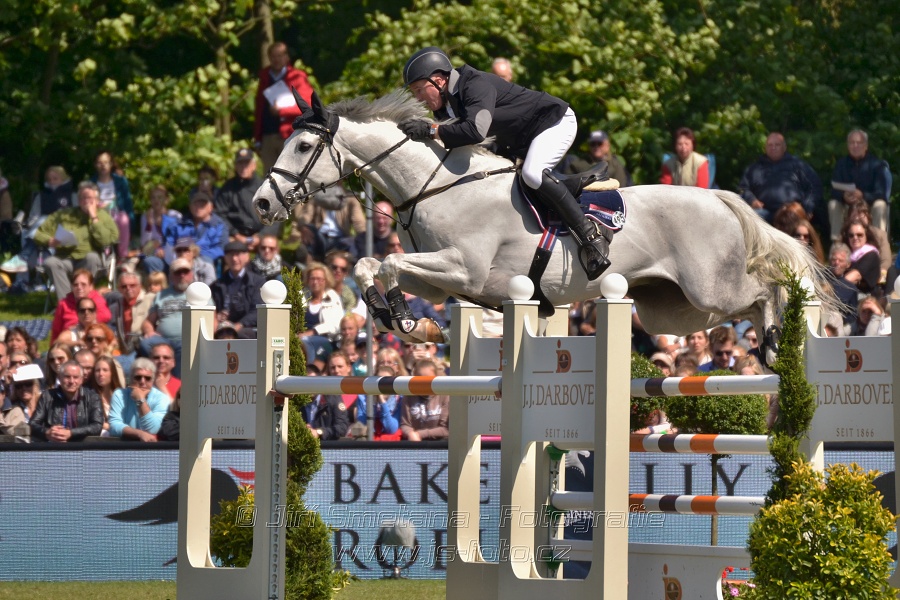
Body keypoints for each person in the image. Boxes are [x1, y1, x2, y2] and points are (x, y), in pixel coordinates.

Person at [400, 46, 611, 280]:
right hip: (521, 141)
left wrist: (431, 130)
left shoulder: (473, 84)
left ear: (438, 80)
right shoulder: (445, 106)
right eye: (414, 92)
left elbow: (475, 131)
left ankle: (591, 238)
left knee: (532, 174)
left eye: (420, 90)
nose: (418, 98)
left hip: (554, 123)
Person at [33, 181, 119, 298]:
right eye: (82, 198)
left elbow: (108, 240)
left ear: (97, 200)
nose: (86, 201)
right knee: (50, 262)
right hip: (65, 259)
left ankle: (84, 300)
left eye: (89, 198)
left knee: (92, 257)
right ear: (78, 200)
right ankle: (67, 303)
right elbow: (39, 234)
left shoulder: (103, 216)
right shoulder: (64, 215)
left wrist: (94, 218)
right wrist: (49, 241)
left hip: (89, 261)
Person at [2, 165, 76, 287]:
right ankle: (23, 280)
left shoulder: (72, 196)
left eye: (55, 178)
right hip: (43, 233)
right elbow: (33, 217)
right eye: (49, 179)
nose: (52, 181)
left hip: (65, 230)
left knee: (44, 220)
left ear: (63, 179)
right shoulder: (42, 196)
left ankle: (24, 257)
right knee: (35, 226)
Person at [254, 42, 314, 172]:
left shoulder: (297, 76)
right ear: (269, 58)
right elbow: (259, 109)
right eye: (273, 56)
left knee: (290, 174)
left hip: (289, 134)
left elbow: (308, 106)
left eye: (280, 55)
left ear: (287, 57)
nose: (276, 59)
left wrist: (282, 111)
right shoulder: (264, 76)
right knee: (269, 177)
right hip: (268, 136)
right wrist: (258, 138)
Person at [739, 132, 823, 224]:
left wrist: (807, 206)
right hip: (764, 212)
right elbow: (743, 189)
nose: (773, 147)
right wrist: (752, 200)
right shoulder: (754, 169)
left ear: (784, 147)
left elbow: (815, 186)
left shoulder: (798, 166)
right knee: (748, 221)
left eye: (777, 145)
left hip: (791, 211)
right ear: (765, 148)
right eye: (770, 145)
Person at [140, 257, 203, 377]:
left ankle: (177, 383)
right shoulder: (161, 295)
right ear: (171, 276)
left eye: (185, 272)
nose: (182, 275)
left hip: (188, 340)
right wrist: (149, 331)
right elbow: (148, 322)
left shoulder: (199, 292)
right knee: (146, 344)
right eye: (178, 272)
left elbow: (212, 319)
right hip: (164, 340)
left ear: (191, 274)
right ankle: (159, 377)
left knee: (184, 348)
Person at [215, 148, 281, 251]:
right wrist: (235, 234)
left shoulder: (265, 187)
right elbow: (220, 214)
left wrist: (260, 237)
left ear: (254, 165)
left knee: (269, 247)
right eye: (240, 163)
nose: (243, 167)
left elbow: (275, 216)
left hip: (262, 236)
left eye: (247, 163)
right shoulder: (227, 188)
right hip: (235, 236)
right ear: (236, 166)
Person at [829, 129, 890, 237]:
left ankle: (879, 242)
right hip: (847, 206)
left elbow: (882, 194)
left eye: (858, 143)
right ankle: (837, 243)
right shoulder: (841, 164)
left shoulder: (877, 165)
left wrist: (863, 195)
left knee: (881, 205)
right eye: (852, 143)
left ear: (866, 146)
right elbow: (833, 190)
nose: (855, 146)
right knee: (833, 204)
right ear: (848, 146)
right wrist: (843, 196)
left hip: (870, 205)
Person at [150, 190, 227, 271]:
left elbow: (220, 249)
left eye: (202, 205)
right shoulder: (177, 224)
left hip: (203, 260)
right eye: (195, 204)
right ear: (190, 207)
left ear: (210, 207)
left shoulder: (219, 225)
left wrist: (195, 255)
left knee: (206, 261)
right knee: (151, 261)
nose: (198, 207)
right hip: (177, 258)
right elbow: (168, 244)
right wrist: (161, 250)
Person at [29, 361, 104, 442]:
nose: (71, 381)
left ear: (81, 380)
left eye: (75, 377)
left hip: (83, 448)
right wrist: (47, 432)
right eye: (67, 377)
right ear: (59, 378)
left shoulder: (92, 397)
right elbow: (32, 424)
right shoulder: (47, 396)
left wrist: (71, 433)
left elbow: (97, 426)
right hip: (54, 447)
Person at [211, 241, 265, 339]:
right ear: (225, 258)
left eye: (238, 254)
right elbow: (213, 308)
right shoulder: (217, 285)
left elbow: (257, 310)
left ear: (247, 257)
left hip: (247, 328)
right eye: (231, 255)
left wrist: (239, 325)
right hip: (222, 327)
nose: (234, 259)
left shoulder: (257, 282)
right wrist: (217, 317)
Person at [107, 358, 170, 441]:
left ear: (153, 381)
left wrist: (140, 400)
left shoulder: (162, 398)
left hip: (152, 448)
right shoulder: (119, 394)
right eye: (138, 377)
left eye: (147, 378)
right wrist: (139, 434)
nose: (142, 381)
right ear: (130, 379)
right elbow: (114, 426)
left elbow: (154, 429)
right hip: (125, 446)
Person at [299, 262, 344, 367]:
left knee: (306, 342)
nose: (315, 282)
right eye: (312, 278)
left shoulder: (332, 297)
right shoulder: (302, 295)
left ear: (326, 281)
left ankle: (311, 372)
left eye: (319, 279)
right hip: (300, 337)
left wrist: (313, 331)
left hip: (326, 339)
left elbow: (336, 325)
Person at [50, 269, 112, 343]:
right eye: (75, 285)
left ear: (91, 286)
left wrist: (82, 324)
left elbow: (106, 316)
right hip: (70, 341)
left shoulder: (97, 299)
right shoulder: (64, 303)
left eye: (83, 284)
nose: (79, 287)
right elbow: (56, 330)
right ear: (72, 287)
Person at [91, 150, 133, 260]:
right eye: (100, 162)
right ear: (95, 165)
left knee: (124, 219)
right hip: (99, 213)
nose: (103, 165)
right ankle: (105, 254)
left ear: (111, 164)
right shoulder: (91, 183)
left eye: (106, 162)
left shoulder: (120, 181)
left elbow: (127, 202)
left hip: (116, 213)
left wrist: (131, 219)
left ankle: (122, 253)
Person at [106, 269, 155, 355]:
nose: (128, 289)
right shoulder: (116, 306)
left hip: (146, 347)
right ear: (119, 289)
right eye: (124, 286)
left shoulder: (151, 299)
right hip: (125, 350)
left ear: (140, 286)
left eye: (132, 285)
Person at [399, 358, 449, 441]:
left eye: (429, 380)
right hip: (415, 443)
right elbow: (405, 424)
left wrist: (420, 434)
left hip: (440, 444)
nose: (424, 384)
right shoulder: (408, 396)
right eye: (420, 380)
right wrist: (410, 433)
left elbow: (446, 429)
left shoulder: (444, 395)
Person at [562, 130, 633, 187]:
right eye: (593, 144)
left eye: (600, 143)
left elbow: (621, 187)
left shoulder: (615, 165)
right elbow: (568, 185)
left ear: (607, 146)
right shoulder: (577, 164)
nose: (596, 147)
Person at [139, 185, 181, 256]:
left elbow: (178, 238)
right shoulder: (145, 216)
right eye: (153, 197)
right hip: (154, 252)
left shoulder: (175, 215)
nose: (156, 200)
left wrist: (159, 242)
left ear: (166, 200)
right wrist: (149, 224)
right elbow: (144, 243)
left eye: (160, 197)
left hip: (172, 251)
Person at [91, 355, 126, 433]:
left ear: (112, 373)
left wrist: (108, 426)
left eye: (105, 370)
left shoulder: (123, 396)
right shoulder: (90, 396)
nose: (100, 373)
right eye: (97, 370)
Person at [371, 365, 402, 440]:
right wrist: (375, 401)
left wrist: (382, 403)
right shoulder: (366, 398)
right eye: (379, 380)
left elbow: (391, 429)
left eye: (387, 380)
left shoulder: (399, 399)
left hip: (391, 445)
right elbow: (366, 426)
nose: (383, 383)